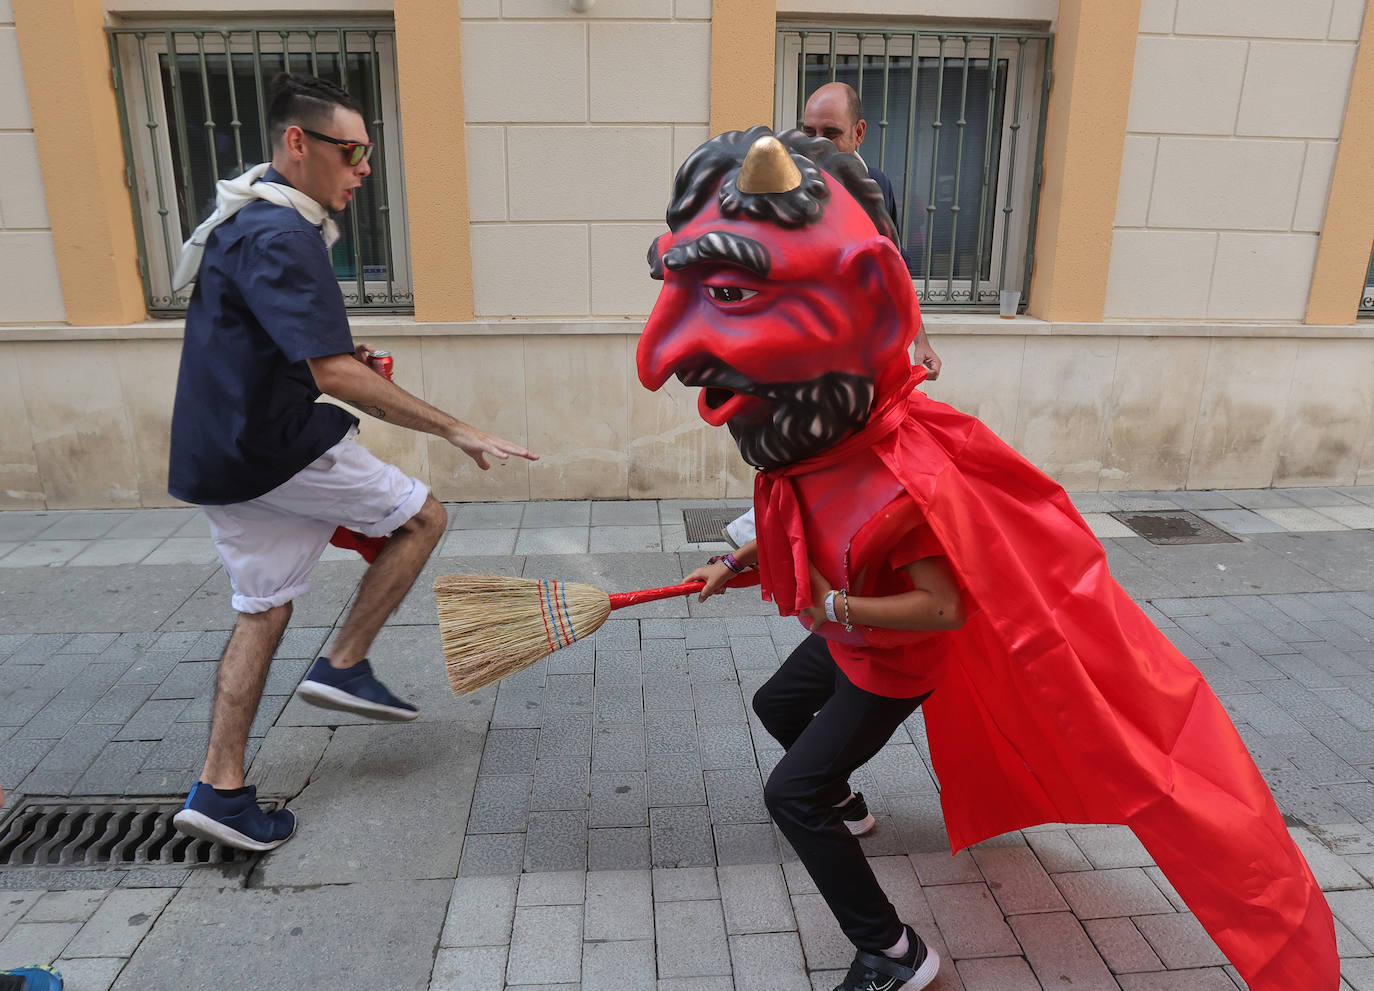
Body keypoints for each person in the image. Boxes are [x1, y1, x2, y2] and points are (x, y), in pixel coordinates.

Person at [640, 126, 1337, 991]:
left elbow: (945, 608)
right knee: (778, 702)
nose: (657, 361)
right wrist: (735, 562)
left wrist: (834, 611)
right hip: (846, 625)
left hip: (891, 659)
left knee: (789, 792)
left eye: (734, 293)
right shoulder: (819, 447)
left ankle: (894, 953)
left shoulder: (908, 480)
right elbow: (800, 521)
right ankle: (843, 802)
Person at [165, 72, 537, 853]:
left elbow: (283, 345)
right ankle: (343, 662)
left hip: (218, 457)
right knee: (423, 516)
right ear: (298, 144)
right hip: (272, 448)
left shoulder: (248, 218)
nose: (365, 167)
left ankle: (219, 788)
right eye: (352, 150)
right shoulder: (281, 233)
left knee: (261, 612)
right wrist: (458, 428)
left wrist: (330, 359)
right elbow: (333, 374)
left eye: (368, 151)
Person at [802, 81, 940, 381]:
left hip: (870, 358)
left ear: (859, 132)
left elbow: (895, 268)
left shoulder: (878, 186)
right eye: (809, 133)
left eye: (831, 134)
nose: (817, 145)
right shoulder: (786, 188)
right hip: (806, 361)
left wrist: (921, 341)